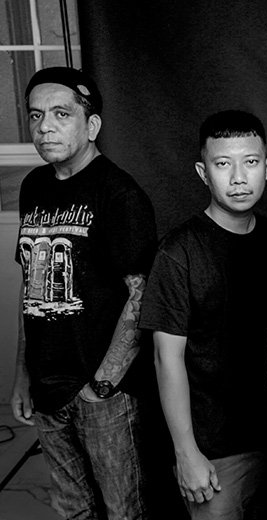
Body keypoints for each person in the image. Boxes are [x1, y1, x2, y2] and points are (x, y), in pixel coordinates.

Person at [10, 67, 156, 519]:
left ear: (91, 125)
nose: (44, 127)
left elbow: (140, 296)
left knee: (123, 512)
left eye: (60, 114)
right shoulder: (33, 186)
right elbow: (31, 286)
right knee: (74, 510)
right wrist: (23, 373)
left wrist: (102, 387)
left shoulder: (120, 194)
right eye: (36, 115)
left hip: (102, 393)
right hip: (47, 387)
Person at [139, 110, 267, 519]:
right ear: (204, 173)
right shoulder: (179, 252)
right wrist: (186, 453)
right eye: (223, 164)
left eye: (250, 162)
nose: (238, 177)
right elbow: (165, 359)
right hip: (215, 452)